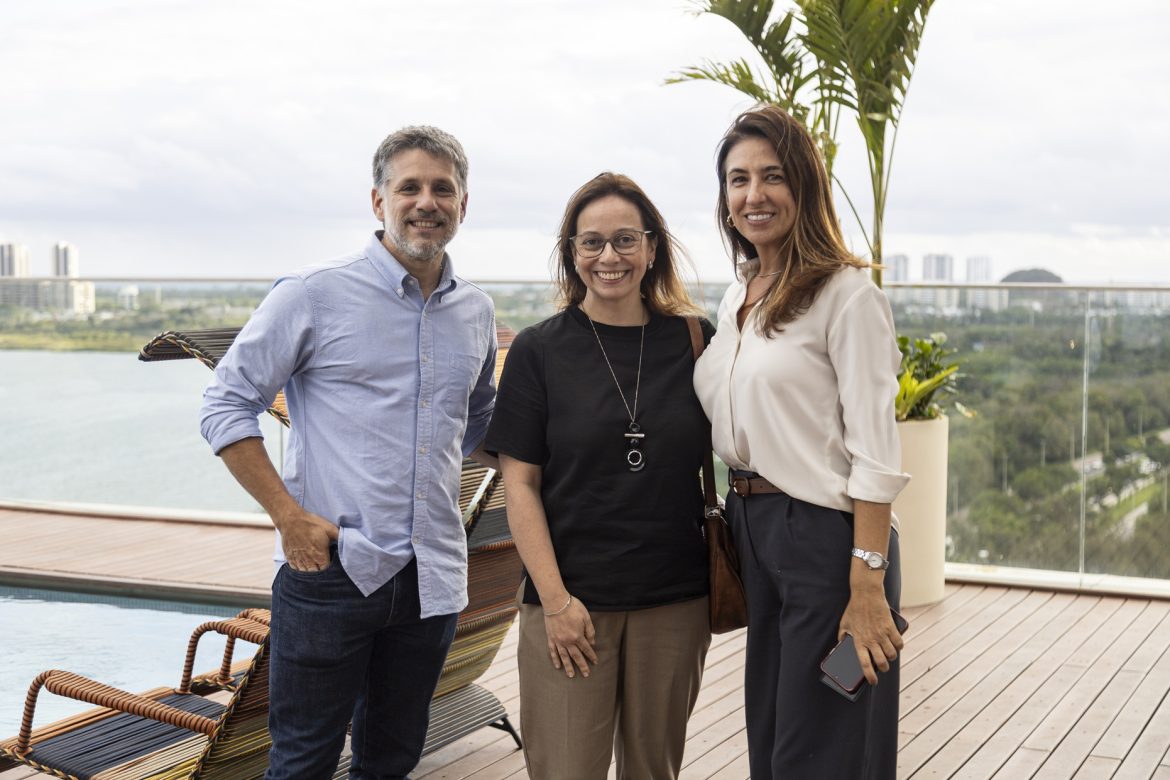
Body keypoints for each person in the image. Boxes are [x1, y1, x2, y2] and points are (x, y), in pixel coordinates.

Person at [199, 125, 498, 780]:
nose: (427, 201)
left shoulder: (476, 312)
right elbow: (224, 405)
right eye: (409, 187)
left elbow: (478, 426)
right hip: (330, 572)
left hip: (432, 579)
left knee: (390, 761)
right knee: (302, 763)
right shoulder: (312, 294)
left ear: (463, 205)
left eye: (442, 189)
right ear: (377, 201)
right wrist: (287, 515)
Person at [693, 104, 912, 778]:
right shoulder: (739, 297)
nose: (753, 195)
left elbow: (877, 453)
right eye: (738, 179)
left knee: (828, 734)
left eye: (772, 176)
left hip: (830, 543)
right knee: (776, 731)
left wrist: (867, 588)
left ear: (805, 188)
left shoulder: (846, 295)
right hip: (754, 532)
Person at [485, 173, 713, 779]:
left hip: (675, 601)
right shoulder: (538, 350)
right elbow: (520, 485)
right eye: (591, 243)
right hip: (569, 602)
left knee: (653, 771)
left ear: (652, 247)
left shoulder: (694, 340)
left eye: (624, 240)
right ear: (572, 253)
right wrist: (556, 603)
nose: (609, 257)